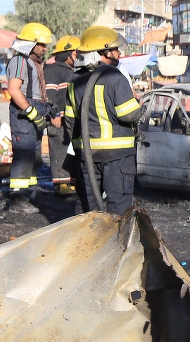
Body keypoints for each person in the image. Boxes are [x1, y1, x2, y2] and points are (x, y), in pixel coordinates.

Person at [65, 26, 143, 216]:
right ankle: (115, 244)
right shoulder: (115, 78)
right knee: (119, 208)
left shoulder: (74, 80)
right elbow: (130, 114)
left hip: (88, 156)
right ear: (104, 52)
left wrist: (80, 152)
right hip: (117, 157)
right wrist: (138, 104)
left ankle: (86, 244)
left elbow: (69, 122)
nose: (118, 53)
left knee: (87, 208)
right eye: (115, 49)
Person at [5, 22, 57, 213]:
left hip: (32, 116)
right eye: (42, 44)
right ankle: (17, 198)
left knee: (34, 157)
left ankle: (30, 193)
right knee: (24, 157)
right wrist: (32, 113)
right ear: (30, 43)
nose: (45, 48)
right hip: (24, 118)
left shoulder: (34, 63)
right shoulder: (19, 61)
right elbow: (13, 90)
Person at [44, 35, 80, 196]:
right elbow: (49, 95)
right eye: (75, 52)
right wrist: (55, 114)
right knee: (59, 150)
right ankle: (61, 184)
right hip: (58, 119)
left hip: (69, 119)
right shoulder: (53, 70)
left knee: (69, 151)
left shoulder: (71, 71)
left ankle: (69, 181)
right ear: (66, 53)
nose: (77, 56)